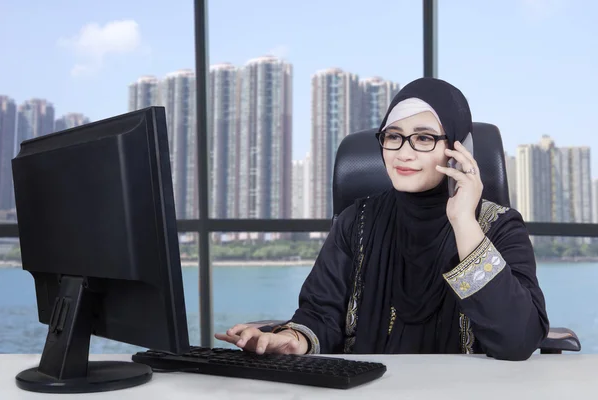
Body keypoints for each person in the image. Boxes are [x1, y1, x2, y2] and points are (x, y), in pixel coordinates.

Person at [215, 77, 549, 361]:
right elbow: (321, 313)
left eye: (423, 138)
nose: (403, 152)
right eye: (393, 136)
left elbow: (517, 339)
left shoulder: (498, 226)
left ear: (460, 149)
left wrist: (464, 222)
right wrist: (292, 340)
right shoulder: (356, 223)